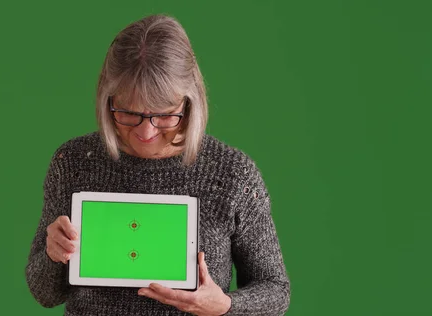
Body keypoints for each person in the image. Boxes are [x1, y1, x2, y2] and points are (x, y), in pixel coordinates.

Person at [25, 14, 290, 316]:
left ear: (190, 103)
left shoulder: (231, 174)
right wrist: (53, 254)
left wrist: (226, 306)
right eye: (128, 113)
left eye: (164, 115)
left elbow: (275, 289)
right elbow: (43, 293)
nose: (145, 132)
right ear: (106, 98)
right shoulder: (74, 162)